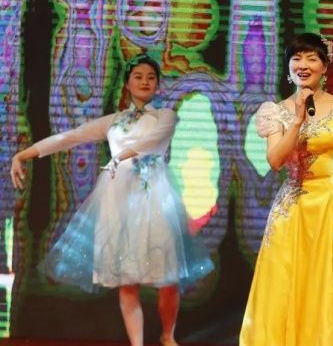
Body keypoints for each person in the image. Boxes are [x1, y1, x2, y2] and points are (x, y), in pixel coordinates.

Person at [10, 54, 214, 346]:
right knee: (125, 278)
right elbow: (70, 137)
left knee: (167, 276)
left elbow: (152, 142)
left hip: (154, 198)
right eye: (138, 77)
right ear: (127, 84)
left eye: (151, 77)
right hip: (118, 198)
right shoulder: (114, 121)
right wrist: (23, 155)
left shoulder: (165, 116)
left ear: (157, 84)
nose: (145, 82)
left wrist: (120, 156)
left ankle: (167, 336)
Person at [239, 33, 333, 346]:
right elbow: (275, 161)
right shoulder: (275, 111)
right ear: (288, 67)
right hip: (294, 210)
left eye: (311, 58)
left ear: (324, 66)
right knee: (288, 285)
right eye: (297, 58)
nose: (303, 65)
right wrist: (297, 120)